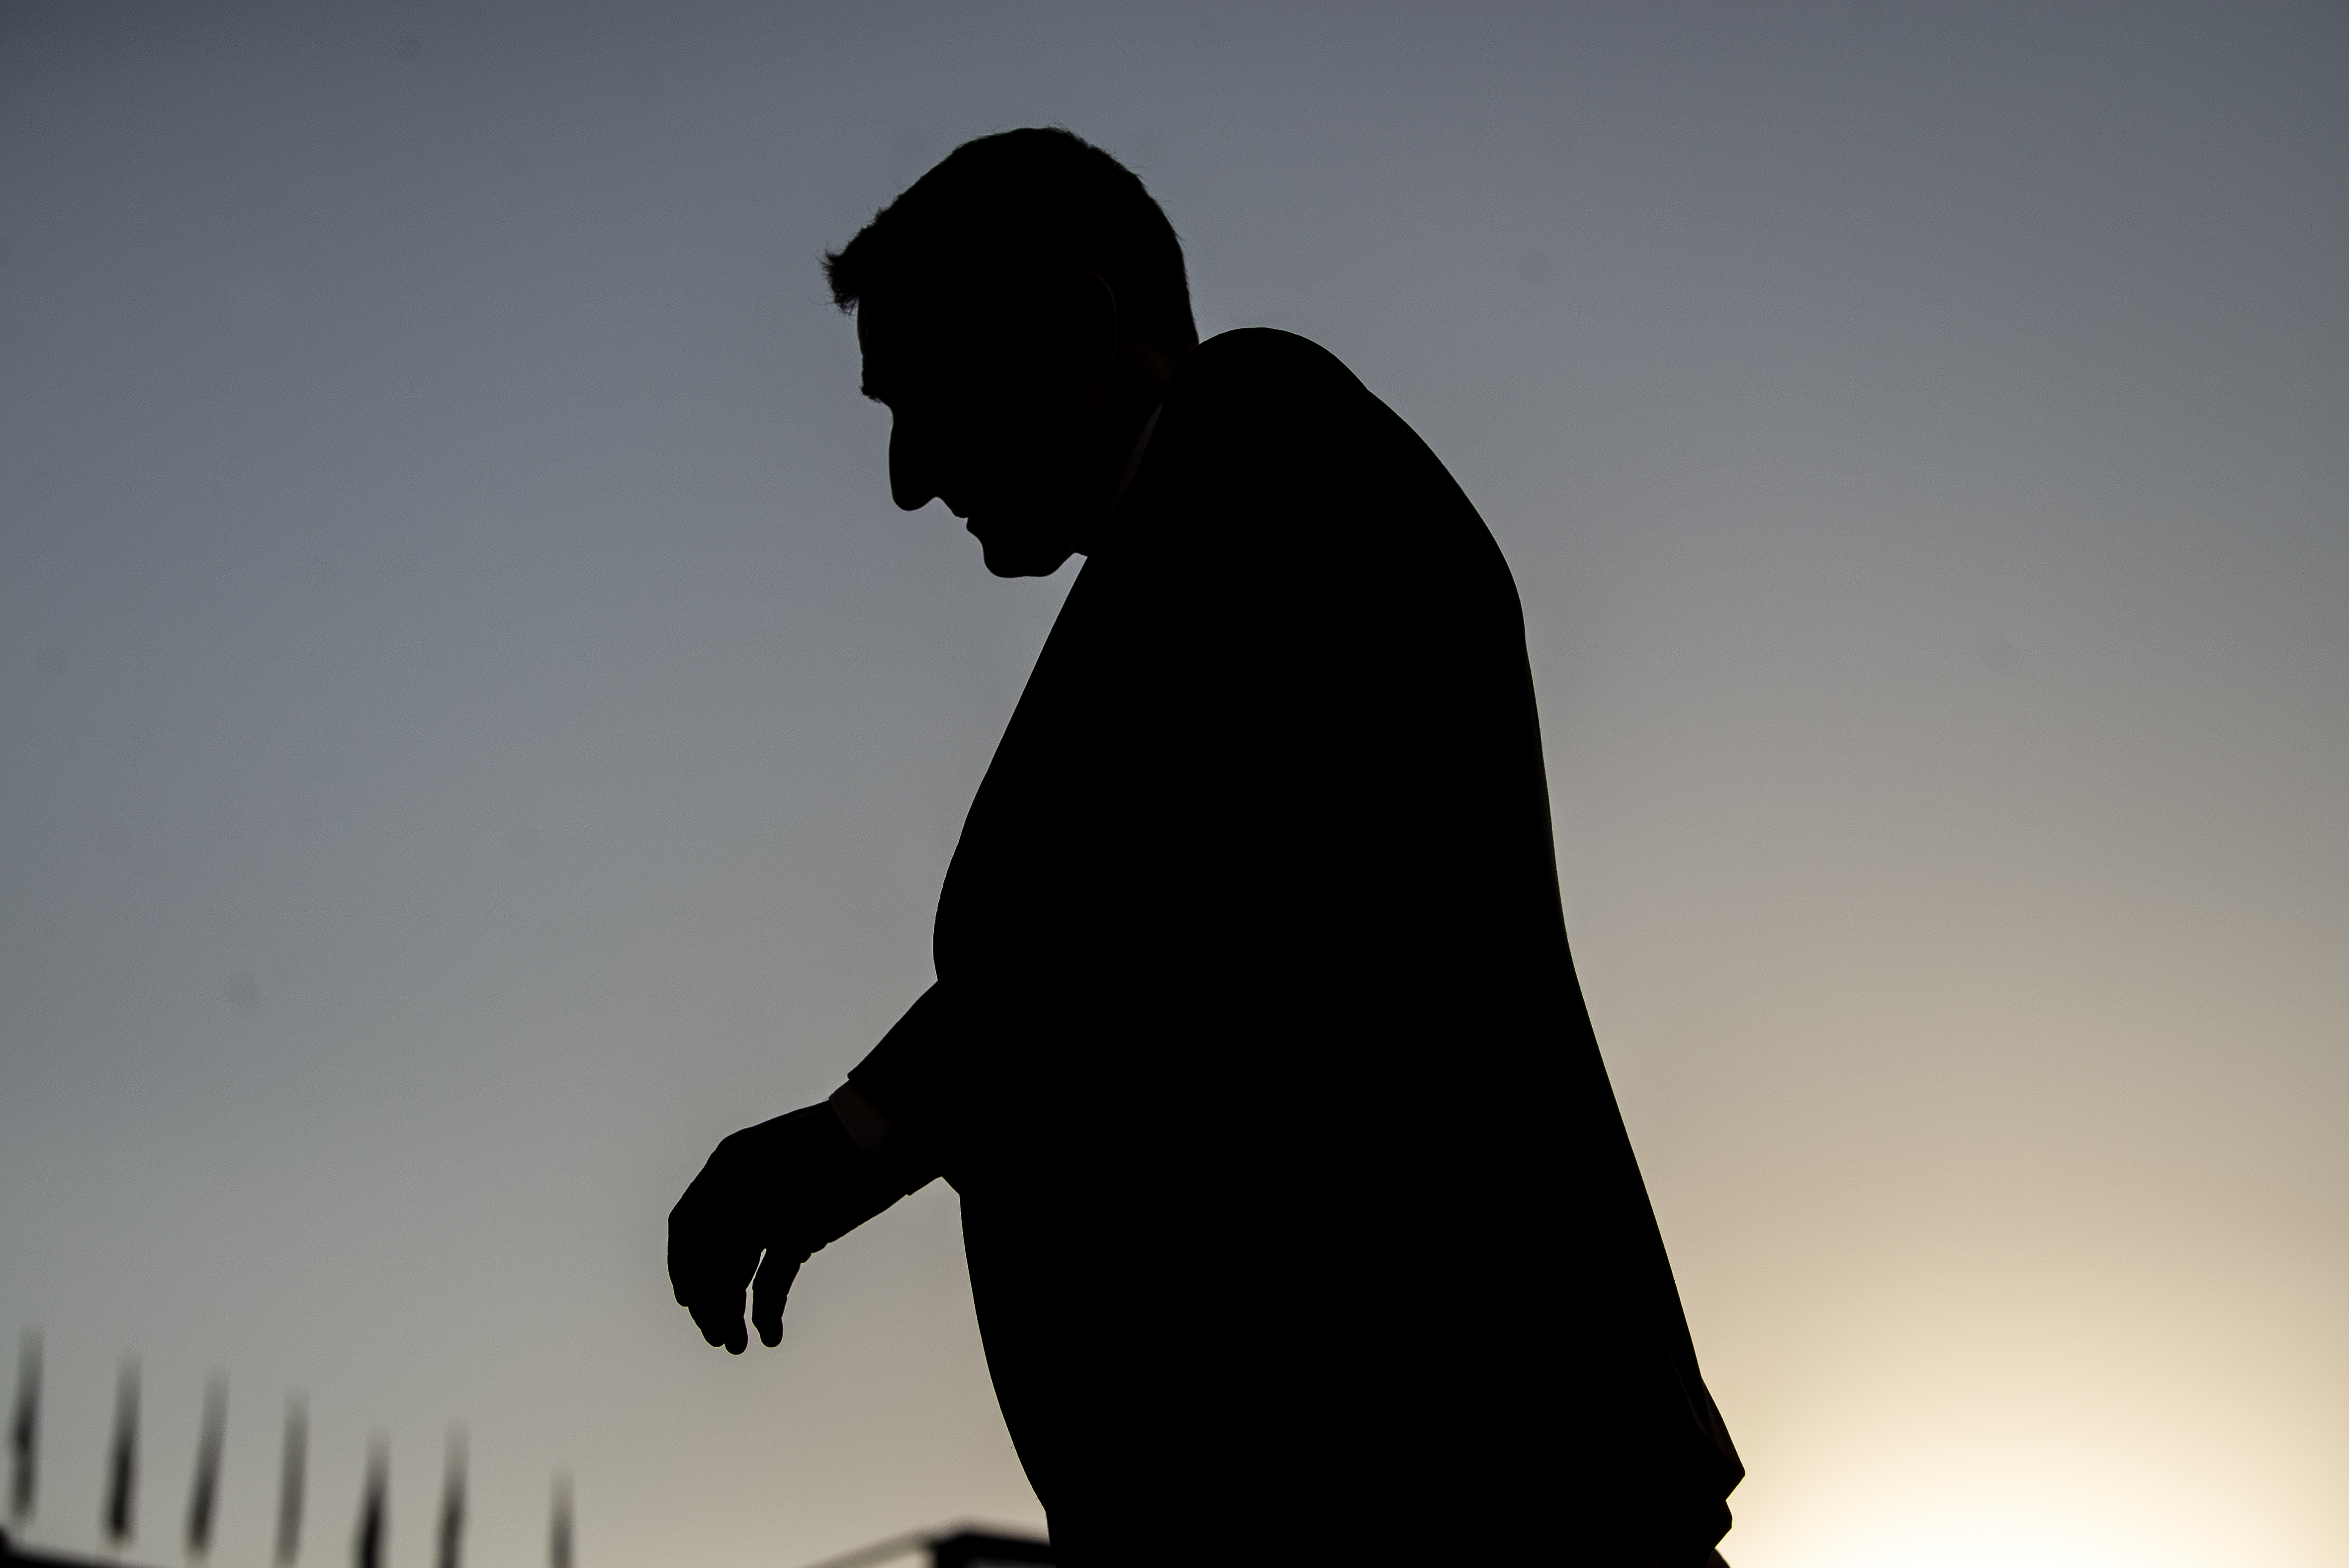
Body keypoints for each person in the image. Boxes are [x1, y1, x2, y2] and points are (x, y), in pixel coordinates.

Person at [668, 127, 1742, 1566]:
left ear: (1083, 328)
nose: (908, 477)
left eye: (924, 397)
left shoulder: (1268, 436)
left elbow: (1156, 900)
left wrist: (858, 1131)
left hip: (1450, 1473)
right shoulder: (1199, 553)